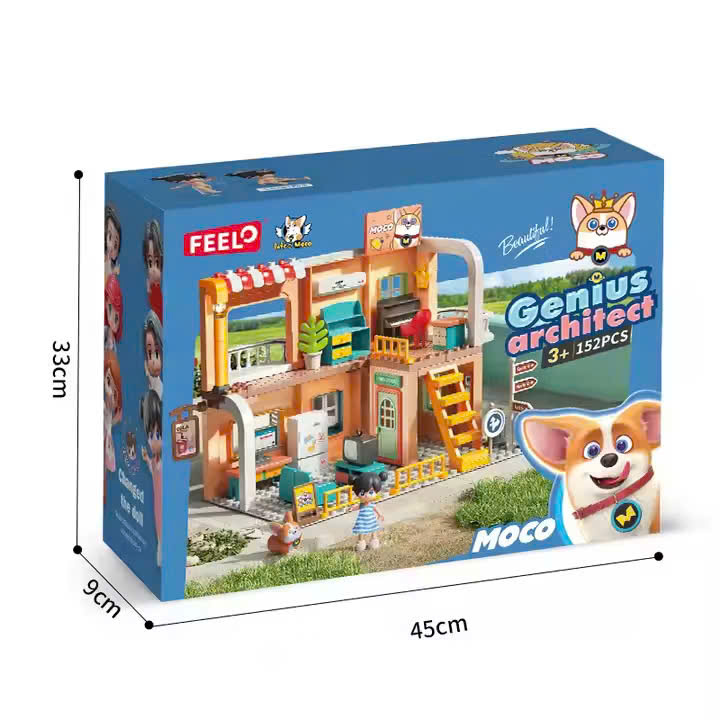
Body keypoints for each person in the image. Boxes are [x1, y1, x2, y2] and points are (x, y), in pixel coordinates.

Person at [350, 470, 388, 551]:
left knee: (373, 530)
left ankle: (374, 540)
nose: (367, 495)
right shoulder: (361, 505)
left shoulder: (371, 504)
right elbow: (356, 507)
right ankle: (361, 543)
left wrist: (380, 515)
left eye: (371, 492)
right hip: (362, 521)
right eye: (363, 493)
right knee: (361, 531)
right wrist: (352, 508)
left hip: (371, 520)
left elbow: (376, 509)